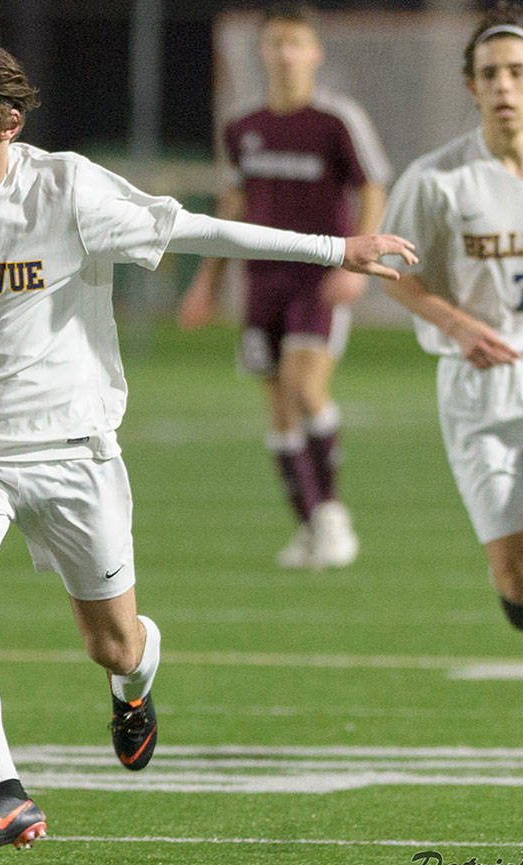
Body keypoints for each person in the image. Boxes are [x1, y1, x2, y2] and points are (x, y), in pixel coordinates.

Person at [0, 29, 415, 864]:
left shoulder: (66, 191)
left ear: (10, 126)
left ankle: (134, 682)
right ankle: (2, 792)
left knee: (112, 643)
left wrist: (335, 248)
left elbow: (198, 229)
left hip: (74, 451)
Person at [178, 2, 392, 570]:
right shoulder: (243, 128)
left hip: (318, 278)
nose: (286, 52)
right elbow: (233, 205)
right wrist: (206, 282)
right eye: (276, 42)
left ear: (315, 52)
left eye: (297, 41)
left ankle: (333, 516)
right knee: (278, 407)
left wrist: (355, 262)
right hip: (261, 282)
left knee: (303, 387)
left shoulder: (337, 120)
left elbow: (373, 186)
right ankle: (309, 526)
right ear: (262, 51)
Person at [378, 1, 523, 630]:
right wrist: (459, 324)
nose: (504, 86)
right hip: (478, 390)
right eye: (491, 74)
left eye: (518, 72)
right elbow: (397, 276)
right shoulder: (437, 179)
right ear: (471, 86)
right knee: (516, 576)